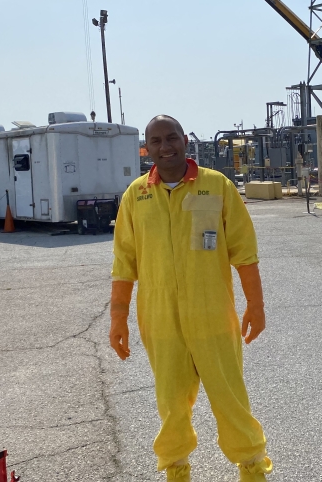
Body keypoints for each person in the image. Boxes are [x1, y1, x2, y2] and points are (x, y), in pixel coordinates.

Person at [109, 115, 273, 482]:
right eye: (156, 141)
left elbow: (244, 252)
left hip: (213, 315)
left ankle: (251, 465)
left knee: (229, 396)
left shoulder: (217, 186)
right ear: (146, 148)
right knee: (171, 403)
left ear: (185, 140)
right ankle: (176, 467)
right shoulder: (136, 195)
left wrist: (256, 306)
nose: (165, 147)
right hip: (160, 319)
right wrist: (118, 319)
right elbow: (124, 262)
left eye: (172, 138)